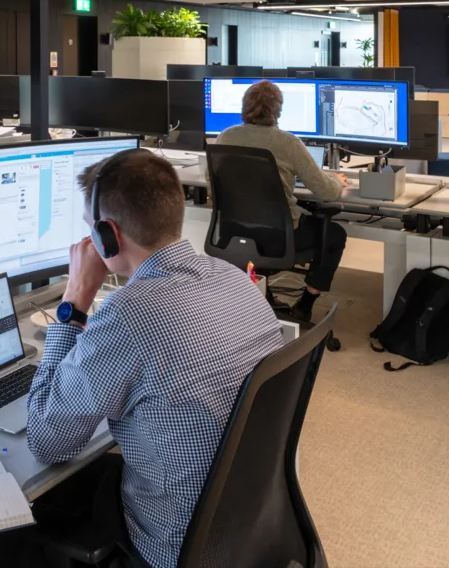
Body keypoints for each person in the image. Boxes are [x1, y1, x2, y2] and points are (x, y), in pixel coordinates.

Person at [26, 149, 284, 568]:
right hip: (252, 521)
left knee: (50, 493)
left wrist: (74, 301)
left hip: (176, 542)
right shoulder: (234, 279)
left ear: (107, 235)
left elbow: (46, 439)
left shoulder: (128, 315)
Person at [211, 79, 347, 322]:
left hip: (235, 235)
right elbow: (326, 192)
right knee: (335, 235)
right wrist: (337, 180)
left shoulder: (224, 137)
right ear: (278, 110)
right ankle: (305, 304)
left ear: (244, 107)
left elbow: (215, 183)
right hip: (280, 239)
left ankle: (263, 296)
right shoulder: (288, 142)